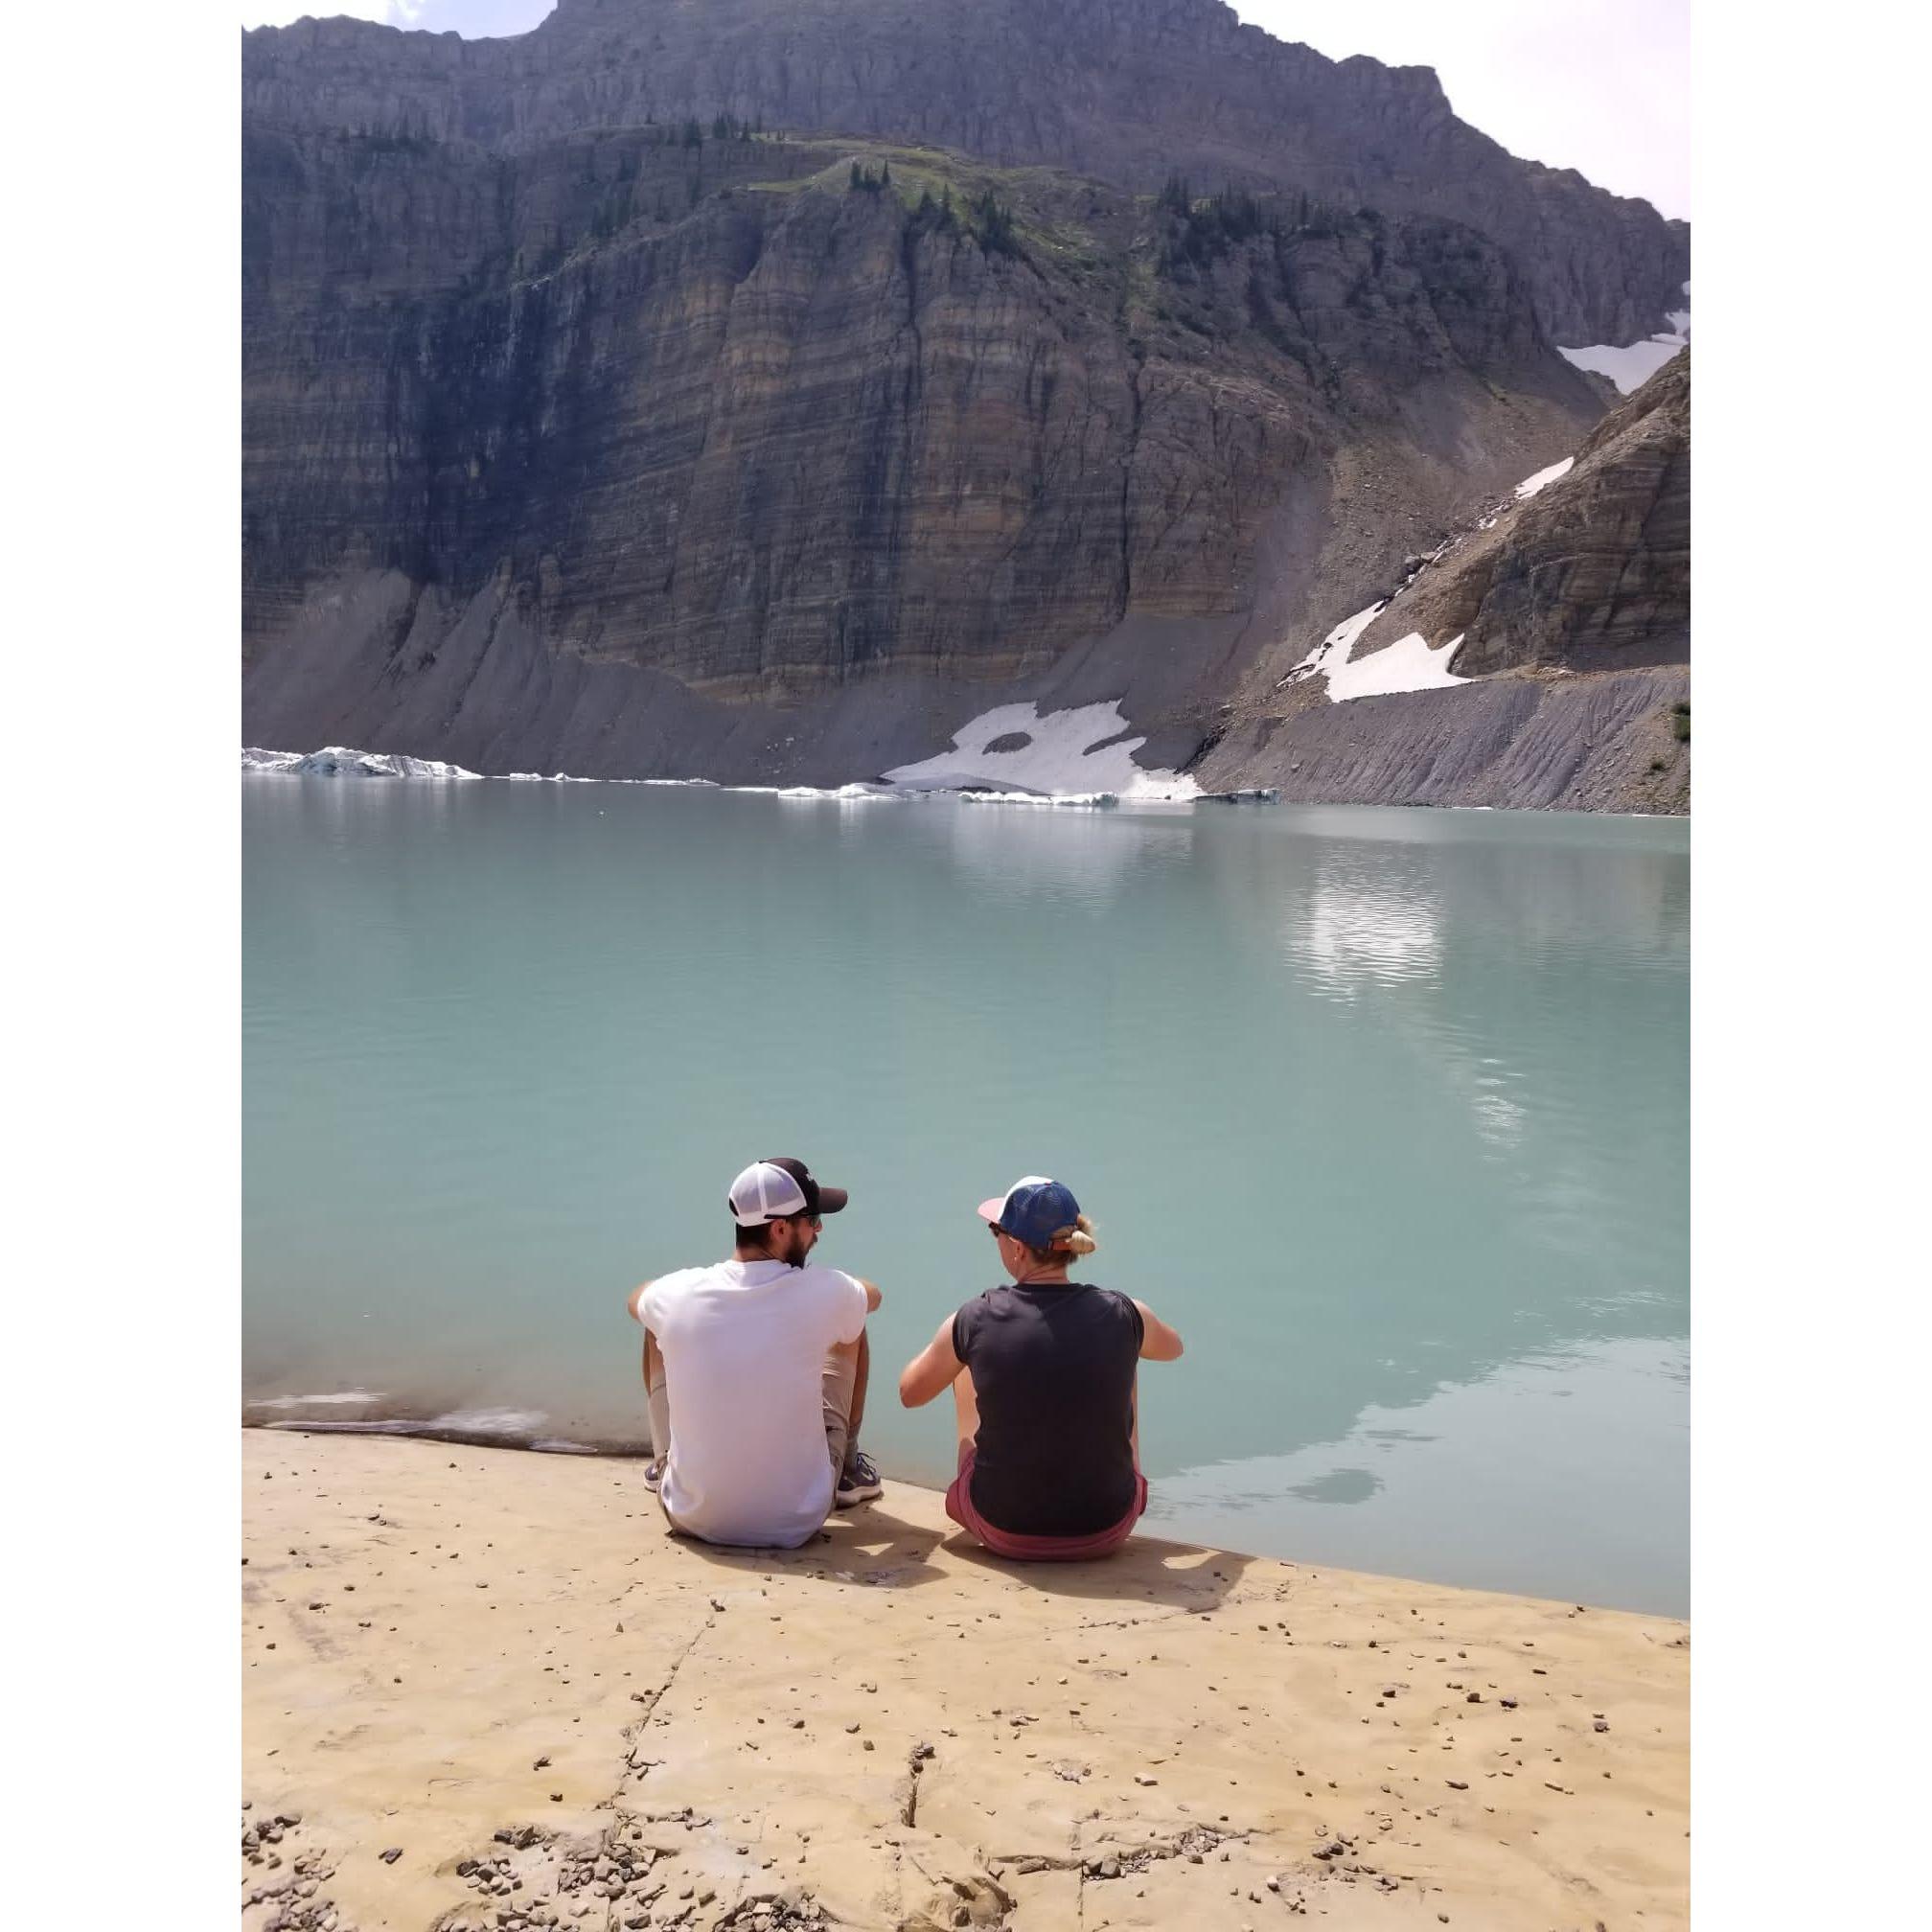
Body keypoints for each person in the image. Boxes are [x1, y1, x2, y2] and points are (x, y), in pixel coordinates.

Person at [897, 1176, 1183, 1561]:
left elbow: (910, 1394)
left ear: (1017, 1248)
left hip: (1002, 1529)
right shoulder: (1124, 1311)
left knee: (966, 1361)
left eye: (995, 1231)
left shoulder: (976, 1317)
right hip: (1109, 1528)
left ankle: (986, 1480)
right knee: (1127, 1350)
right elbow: (1173, 1349)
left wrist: (960, 1338)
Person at [627, 1157, 884, 1548]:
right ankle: (847, 1468)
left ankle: (665, 1464)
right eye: (811, 1219)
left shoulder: (681, 1293)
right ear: (780, 1228)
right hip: (798, 1518)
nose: (819, 1228)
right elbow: (873, 1295)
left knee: (656, 1325)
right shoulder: (825, 1291)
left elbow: (636, 1299)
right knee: (854, 1323)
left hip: (690, 1514)